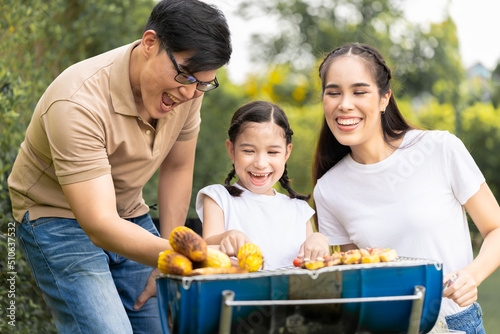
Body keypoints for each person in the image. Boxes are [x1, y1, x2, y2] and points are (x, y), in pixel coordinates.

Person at [7, 0, 231, 333]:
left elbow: (177, 168)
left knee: (165, 327)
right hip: (55, 218)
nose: (189, 92)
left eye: (202, 82)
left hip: (127, 210)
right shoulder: (77, 102)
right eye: (184, 74)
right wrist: (184, 255)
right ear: (150, 43)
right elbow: (98, 224)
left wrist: (167, 261)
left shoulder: (189, 89)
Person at [311, 43, 500, 333]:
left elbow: (496, 229)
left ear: (385, 98)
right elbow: (356, 275)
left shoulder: (439, 148)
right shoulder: (328, 189)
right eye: (333, 92)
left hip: (454, 324)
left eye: (359, 92)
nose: (344, 104)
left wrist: (471, 276)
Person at [196, 101, 329, 270]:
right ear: (231, 150)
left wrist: (318, 239)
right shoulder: (218, 198)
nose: (260, 163)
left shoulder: (299, 210)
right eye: (249, 151)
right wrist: (226, 237)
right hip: (238, 293)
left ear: (287, 152)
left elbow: (311, 263)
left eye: (272, 152)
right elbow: (206, 245)